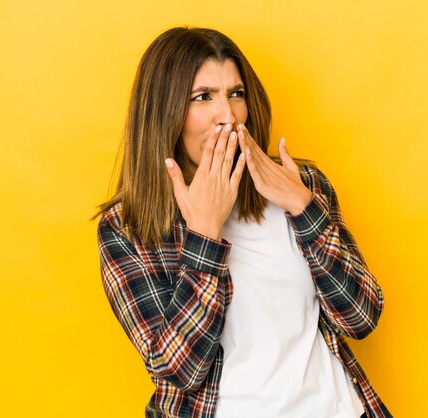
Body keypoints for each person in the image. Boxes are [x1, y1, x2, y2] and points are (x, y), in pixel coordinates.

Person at [96, 27, 392, 418]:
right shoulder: (127, 227)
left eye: (236, 94)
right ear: (164, 113)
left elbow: (360, 315)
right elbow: (179, 370)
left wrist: (303, 206)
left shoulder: (300, 187)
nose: (229, 115)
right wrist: (204, 234)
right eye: (203, 97)